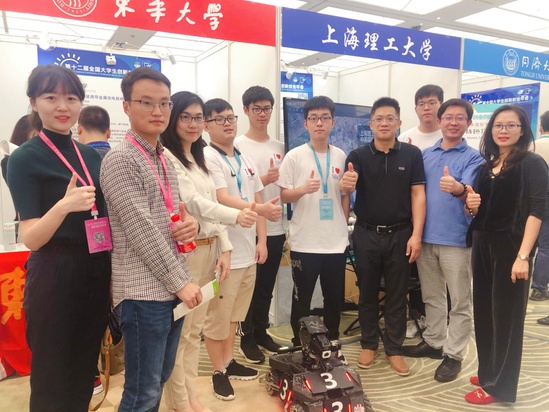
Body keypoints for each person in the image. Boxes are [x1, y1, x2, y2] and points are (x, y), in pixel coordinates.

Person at [7, 64, 111, 411]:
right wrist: (64, 206)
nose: (62, 106)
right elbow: (31, 238)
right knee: (52, 375)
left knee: (84, 370)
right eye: (51, 97)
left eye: (71, 98)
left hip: (96, 268)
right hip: (54, 271)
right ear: (33, 102)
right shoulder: (25, 158)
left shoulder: (90, 155)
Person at [100, 67, 203, 411]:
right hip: (143, 293)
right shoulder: (120, 159)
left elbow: (171, 217)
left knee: (158, 380)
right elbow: (141, 230)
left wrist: (190, 226)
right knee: (141, 391)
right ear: (126, 106)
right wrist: (181, 283)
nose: (158, 111)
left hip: (170, 289)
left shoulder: (163, 159)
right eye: (146, 102)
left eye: (164, 103)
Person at [160, 91, 258, 412]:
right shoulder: (168, 157)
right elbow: (196, 204)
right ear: (173, 118)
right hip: (185, 254)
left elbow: (210, 207)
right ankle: (179, 400)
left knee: (194, 332)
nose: (193, 123)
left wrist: (225, 247)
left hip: (208, 251)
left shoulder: (198, 156)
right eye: (185, 117)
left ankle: (190, 395)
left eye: (198, 117)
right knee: (181, 332)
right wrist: (236, 216)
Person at [464, 105, 548, 405]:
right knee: (485, 313)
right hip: (482, 244)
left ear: (522, 130)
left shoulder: (532, 163)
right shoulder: (487, 166)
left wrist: (523, 256)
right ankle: (489, 370)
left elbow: (537, 210)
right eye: (498, 125)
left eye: (511, 125)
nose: (503, 130)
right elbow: (479, 209)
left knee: (506, 318)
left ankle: (500, 386)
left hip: (511, 247)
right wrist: (471, 205)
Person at [202, 98, 281, 401]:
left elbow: (258, 196)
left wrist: (262, 240)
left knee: (235, 315)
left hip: (249, 251)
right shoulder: (208, 157)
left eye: (230, 117)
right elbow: (221, 198)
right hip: (226, 252)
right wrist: (258, 208)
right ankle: (218, 371)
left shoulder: (243, 157)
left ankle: (229, 361)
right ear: (206, 125)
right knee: (218, 317)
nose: (227, 123)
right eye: (218, 119)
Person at [340, 96, 426, 377]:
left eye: (390, 118)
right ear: (371, 124)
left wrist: (416, 235)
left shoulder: (412, 155)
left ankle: (394, 348)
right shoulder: (358, 156)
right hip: (366, 234)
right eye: (379, 118)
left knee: (397, 294)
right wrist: (346, 184)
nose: (384, 123)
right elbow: (346, 188)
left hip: (401, 234)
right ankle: (369, 344)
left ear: (399, 122)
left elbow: (418, 195)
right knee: (366, 292)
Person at [401, 99, 484, 383]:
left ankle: (454, 355)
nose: (453, 122)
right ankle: (434, 342)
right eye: (448, 117)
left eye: (460, 118)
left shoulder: (474, 158)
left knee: (459, 301)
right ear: (440, 121)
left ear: (468, 123)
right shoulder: (425, 154)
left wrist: (458, 187)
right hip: (425, 237)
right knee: (432, 295)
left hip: (457, 240)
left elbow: (470, 193)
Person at [278, 95, 350, 359]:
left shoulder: (340, 155)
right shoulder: (294, 156)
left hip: (335, 242)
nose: (319, 123)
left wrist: (343, 224)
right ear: (306, 123)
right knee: (302, 298)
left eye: (325, 118)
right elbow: (284, 196)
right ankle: (299, 344)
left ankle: (332, 342)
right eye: (314, 118)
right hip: (305, 242)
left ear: (333, 122)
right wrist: (303, 189)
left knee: (334, 298)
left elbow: (344, 195)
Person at [235, 86, 286, 363]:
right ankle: (247, 338)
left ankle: (261, 331)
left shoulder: (279, 146)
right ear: (246, 110)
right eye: (256, 109)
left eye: (267, 108)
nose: (262, 114)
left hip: (275, 227)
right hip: (247, 228)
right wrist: (264, 179)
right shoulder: (238, 146)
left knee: (266, 286)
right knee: (248, 289)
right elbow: (238, 189)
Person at [77, 104, 112, 396]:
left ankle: (92, 375)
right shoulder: (119, 159)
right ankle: (117, 361)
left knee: (85, 316)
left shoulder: (76, 165)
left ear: (78, 130)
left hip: (86, 253)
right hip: (122, 254)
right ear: (109, 132)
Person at [530, 110, 549, 303]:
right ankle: (539, 288)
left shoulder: (531, 146)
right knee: (546, 247)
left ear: (541, 126)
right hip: (546, 204)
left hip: (529, 203)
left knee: (529, 245)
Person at [398, 84, 444, 149]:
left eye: (431, 103)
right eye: (421, 104)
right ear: (416, 110)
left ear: (442, 106)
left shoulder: (450, 137)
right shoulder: (403, 139)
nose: (426, 108)